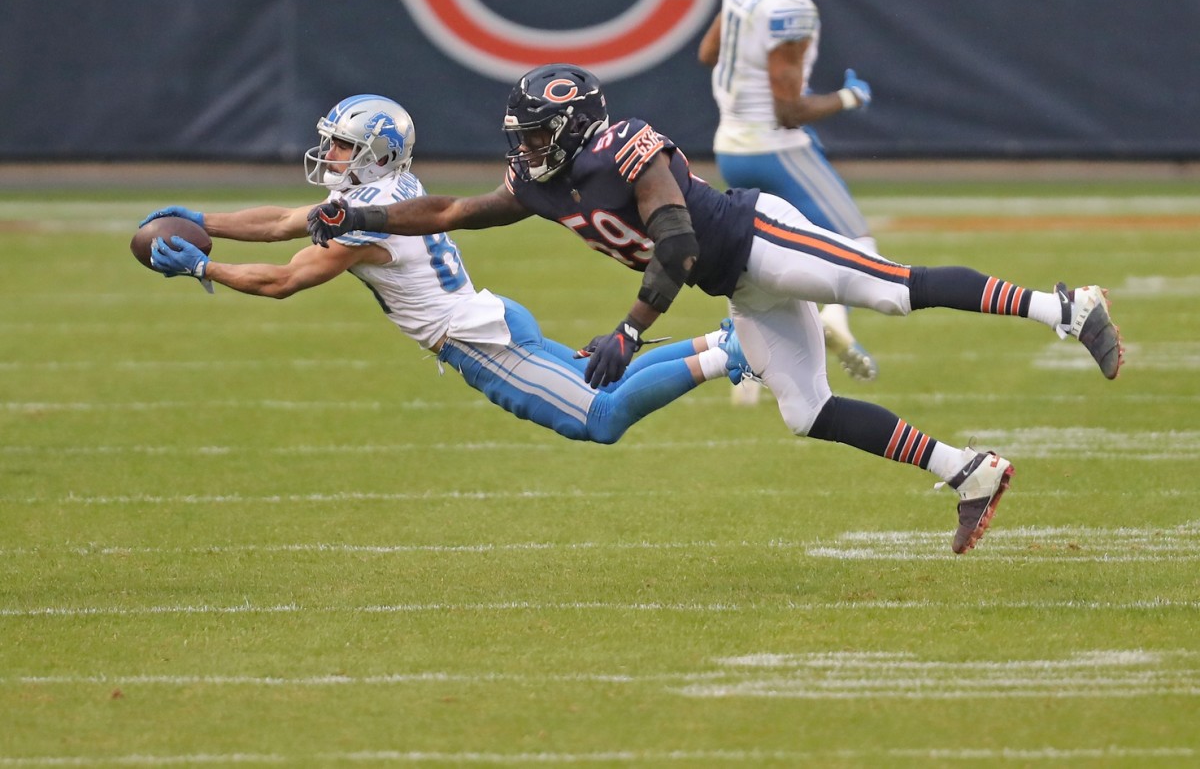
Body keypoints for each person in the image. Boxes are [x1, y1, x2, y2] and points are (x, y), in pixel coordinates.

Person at [306, 65, 1125, 555]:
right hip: (738, 289)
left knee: (891, 288)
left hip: (759, 238)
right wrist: (364, 216)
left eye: (533, 136)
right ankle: (969, 469)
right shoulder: (537, 179)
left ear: (573, 127)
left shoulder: (627, 145)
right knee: (806, 411)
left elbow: (677, 245)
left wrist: (630, 331)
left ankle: (1063, 306)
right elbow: (453, 211)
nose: (521, 150)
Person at [141, 94, 749, 446]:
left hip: (475, 339)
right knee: (602, 385)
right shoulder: (386, 193)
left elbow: (285, 279)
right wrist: (206, 220)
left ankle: (727, 356)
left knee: (601, 418)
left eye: (341, 146)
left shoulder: (363, 216)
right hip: (491, 317)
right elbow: (280, 221)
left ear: (374, 152)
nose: (329, 155)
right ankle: (720, 342)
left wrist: (205, 269)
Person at [697, 0, 879, 386]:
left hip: (731, 148)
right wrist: (848, 97)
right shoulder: (790, 10)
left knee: (772, 262)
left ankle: (746, 352)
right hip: (776, 147)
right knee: (860, 245)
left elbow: (707, 52)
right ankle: (834, 323)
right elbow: (789, 111)